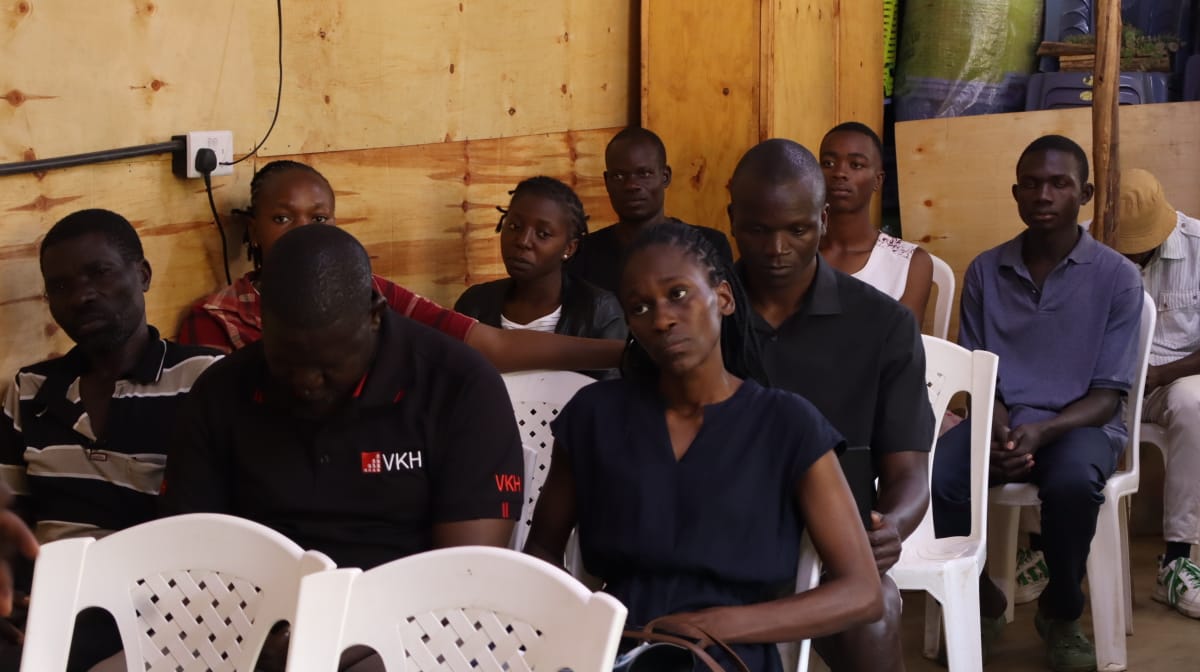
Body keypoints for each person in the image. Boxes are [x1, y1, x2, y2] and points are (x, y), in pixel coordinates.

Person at [525, 221, 883, 672]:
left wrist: (721, 624)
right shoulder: (594, 417)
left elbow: (862, 591)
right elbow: (541, 551)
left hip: (731, 655)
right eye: (639, 307)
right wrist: (578, 630)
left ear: (724, 299)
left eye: (678, 294)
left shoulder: (787, 424)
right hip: (615, 648)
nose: (661, 318)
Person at [163, 223, 524, 567]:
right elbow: (192, 551)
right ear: (263, 323)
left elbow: (465, 576)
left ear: (374, 314)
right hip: (257, 613)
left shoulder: (461, 388)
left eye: (327, 364)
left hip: (408, 618)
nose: (306, 381)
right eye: (286, 361)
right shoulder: (221, 391)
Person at [932, 135, 1143, 672]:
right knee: (940, 475)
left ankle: (1062, 610)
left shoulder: (1117, 276)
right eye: (1030, 183)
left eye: (1059, 183)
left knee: (1072, 482)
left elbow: (1105, 397)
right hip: (1005, 422)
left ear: (1085, 194)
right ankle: (983, 602)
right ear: (1015, 193)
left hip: (1078, 426)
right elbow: (982, 378)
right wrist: (999, 432)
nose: (1043, 194)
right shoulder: (985, 271)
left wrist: (1043, 434)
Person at [727, 139, 934, 672]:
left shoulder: (883, 325)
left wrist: (892, 525)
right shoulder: (700, 313)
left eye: (796, 230)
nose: (777, 249)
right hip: (713, 539)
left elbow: (909, 467)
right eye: (758, 229)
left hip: (829, 548)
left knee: (878, 611)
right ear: (732, 220)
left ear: (822, 221)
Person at [0, 209, 221, 670]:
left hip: (162, 612)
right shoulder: (30, 390)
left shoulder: (205, 379)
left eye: (99, 273)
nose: (81, 295)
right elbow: (9, 514)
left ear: (142, 275)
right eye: (59, 286)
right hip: (49, 603)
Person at [177, 160, 623, 372]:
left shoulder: (374, 293)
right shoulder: (217, 318)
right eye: (281, 218)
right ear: (252, 230)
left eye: (318, 219)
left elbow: (493, 346)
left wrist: (629, 355)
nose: (302, 232)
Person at [1110, 168, 1200, 620]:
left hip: (1173, 381)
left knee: (1197, 402)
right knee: (1041, 403)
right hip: (1106, 385)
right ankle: (1043, 552)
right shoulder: (1088, 246)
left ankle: (1178, 560)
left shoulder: (1198, 246)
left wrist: (1163, 372)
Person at [453, 176, 625, 377]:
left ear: (569, 248)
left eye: (543, 234)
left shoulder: (600, 313)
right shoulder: (475, 305)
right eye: (515, 227)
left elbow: (614, 400)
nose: (523, 241)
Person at [568, 127, 734, 293]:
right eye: (618, 176)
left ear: (665, 177)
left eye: (644, 174)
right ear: (606, 182)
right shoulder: (584, 254)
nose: (632, 185)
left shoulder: (709, 246)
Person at [818, 122, 933, 324]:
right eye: (828, 163)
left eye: (856, 165)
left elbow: (904, 348)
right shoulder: (797, 252)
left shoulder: (909, 262)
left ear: (878, 180)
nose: (839, 173)